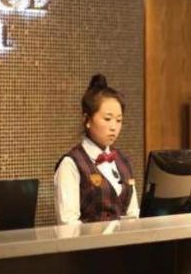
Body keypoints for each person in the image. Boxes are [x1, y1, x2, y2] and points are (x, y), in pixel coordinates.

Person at [54, 74, 138, 224]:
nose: (114, 127)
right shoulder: (71, 163)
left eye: (119, 120)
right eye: (107, 119)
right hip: (88, 240)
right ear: (87, 119)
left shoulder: (124, 161)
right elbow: (68, 223)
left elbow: (133, 214)